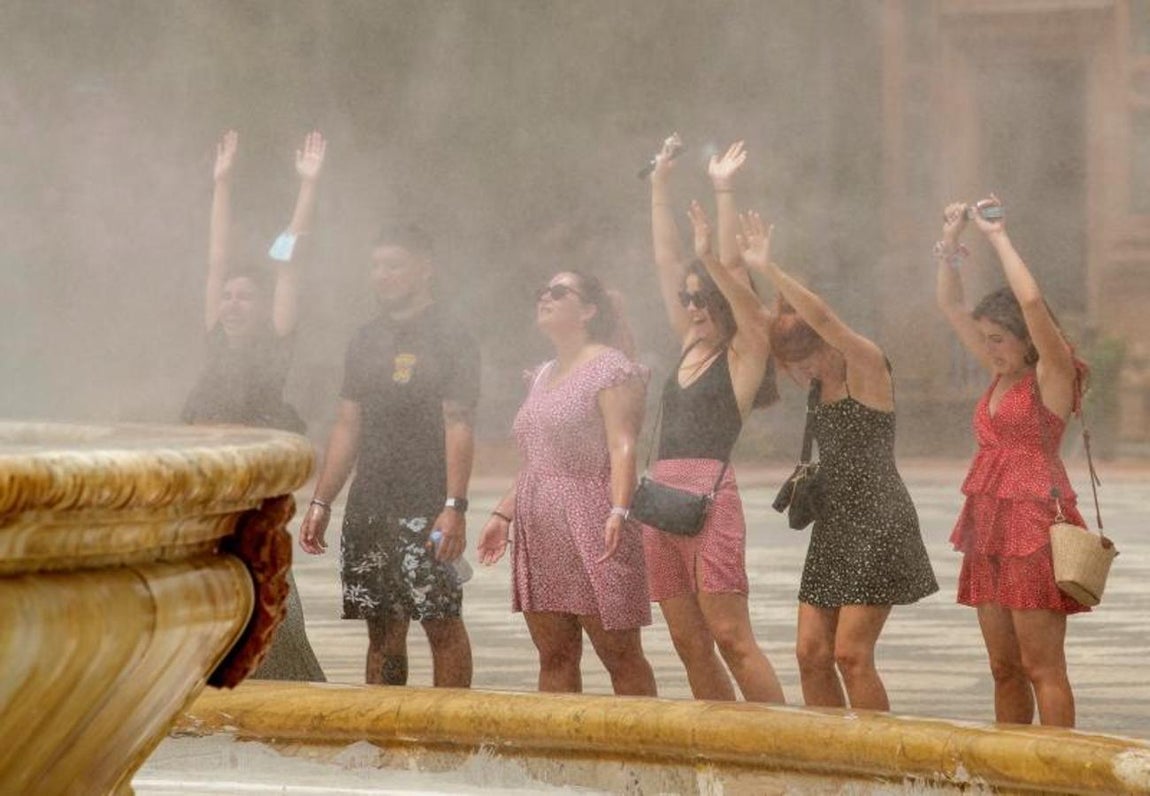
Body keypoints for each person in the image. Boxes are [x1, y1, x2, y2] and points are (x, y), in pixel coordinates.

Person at [743, 211, 938, 711]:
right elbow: (749, 318)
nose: (801, 371)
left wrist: (770, 268)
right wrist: (720, 255)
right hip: (834, 523)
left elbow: (824, 317)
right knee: (810, 653)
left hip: (879, 518)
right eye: (791, 364)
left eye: (806, 357)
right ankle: (827, 767)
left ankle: (876, 774)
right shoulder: (814, 381)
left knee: (852, 654)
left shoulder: (865, 363)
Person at [298, 223, 478, 688]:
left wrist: (454, 506)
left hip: (428, 505)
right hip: (369, 504)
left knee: (441, 622)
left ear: (425, 268)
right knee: (380, 631)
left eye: (393, 265)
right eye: (375, 266)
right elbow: (347, 424)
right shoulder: (365, 338)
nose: (381, 275)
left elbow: (458, 424)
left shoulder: (451, 336)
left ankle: (453, 741)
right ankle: (380, 745)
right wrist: (321, 502)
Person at [641, 135, 785, 703]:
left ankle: (780, 749)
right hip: (661, 501)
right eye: (687, 298)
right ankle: (721, 749)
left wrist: (723, 191)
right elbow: (665, 261)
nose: (692, 306)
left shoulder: (743, 354)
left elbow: (734, 277)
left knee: (730, 635)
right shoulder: (688, 343)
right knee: (687, 640)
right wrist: (659, 188)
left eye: (703, 299)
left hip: (709, 502)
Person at [935, 196, 1088, 727]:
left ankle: (1058, 777)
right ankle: (1010, 779)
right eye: (985, 340)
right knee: (1003, 667)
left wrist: (997, 237)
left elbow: (1031, 305)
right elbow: (951, 307)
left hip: (1033, 525)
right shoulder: (1002, 372)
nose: (989, 349)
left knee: (1042, 665)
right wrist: (952, 245)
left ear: (1027, 342)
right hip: (987, 524)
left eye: (998, 340)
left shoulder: (1051, 375)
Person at [183, 129, 326, 682]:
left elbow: (290, 259)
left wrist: (306, 190)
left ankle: (292, 679)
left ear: (265, 306)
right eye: (227, 296)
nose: (231, 302)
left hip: (255, 482)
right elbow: (216, 257)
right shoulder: (213, 335)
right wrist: (221, 184)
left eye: (245, 296)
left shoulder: (276, 336)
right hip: (212, 481)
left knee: (264, 576)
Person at [476, 271, 657, 697]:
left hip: (594, 517)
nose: (546, 298)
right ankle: (556, 761)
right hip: (540, 527)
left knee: (619, 652)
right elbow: (538, 460)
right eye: (542, 291)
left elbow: (622, 445)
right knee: (554, 654)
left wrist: (619, 509)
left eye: (560, 292)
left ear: (589, 310)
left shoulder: (610, 368)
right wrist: (503, 512)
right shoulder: (540, 374)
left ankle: (646, 753)